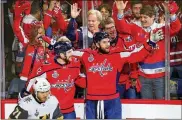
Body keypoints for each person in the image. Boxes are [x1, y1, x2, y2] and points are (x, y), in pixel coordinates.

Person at [72, 31, 158, 119]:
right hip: (95, 100)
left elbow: (136, 55)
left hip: (113, 100)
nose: (108, 44)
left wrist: (150, 43)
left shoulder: (117, 55)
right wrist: (80, 79)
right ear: (97, 44)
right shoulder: (86, 55)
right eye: (104, 42)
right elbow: (68, 54)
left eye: (108, 41)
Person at [113, 0, 181, 99]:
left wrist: (172, 13)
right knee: (146, 105)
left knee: (161, 105)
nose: (142, 19)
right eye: (141, 17)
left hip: (160, 76)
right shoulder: (136, 28)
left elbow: (176, 27)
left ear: (153, 17)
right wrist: (119, 12)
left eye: (145, 17)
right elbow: (121, 27)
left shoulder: (161, 28)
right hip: (143, 76)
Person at [26, 40, 86, 119]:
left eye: (72, 51)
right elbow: (32, 82)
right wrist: (27, 95)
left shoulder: (75, 64)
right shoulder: (46, 66)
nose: (72, 54)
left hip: (69, 110)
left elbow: (80, 80)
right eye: (69, 52)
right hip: (51, 110)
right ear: (61, 54)